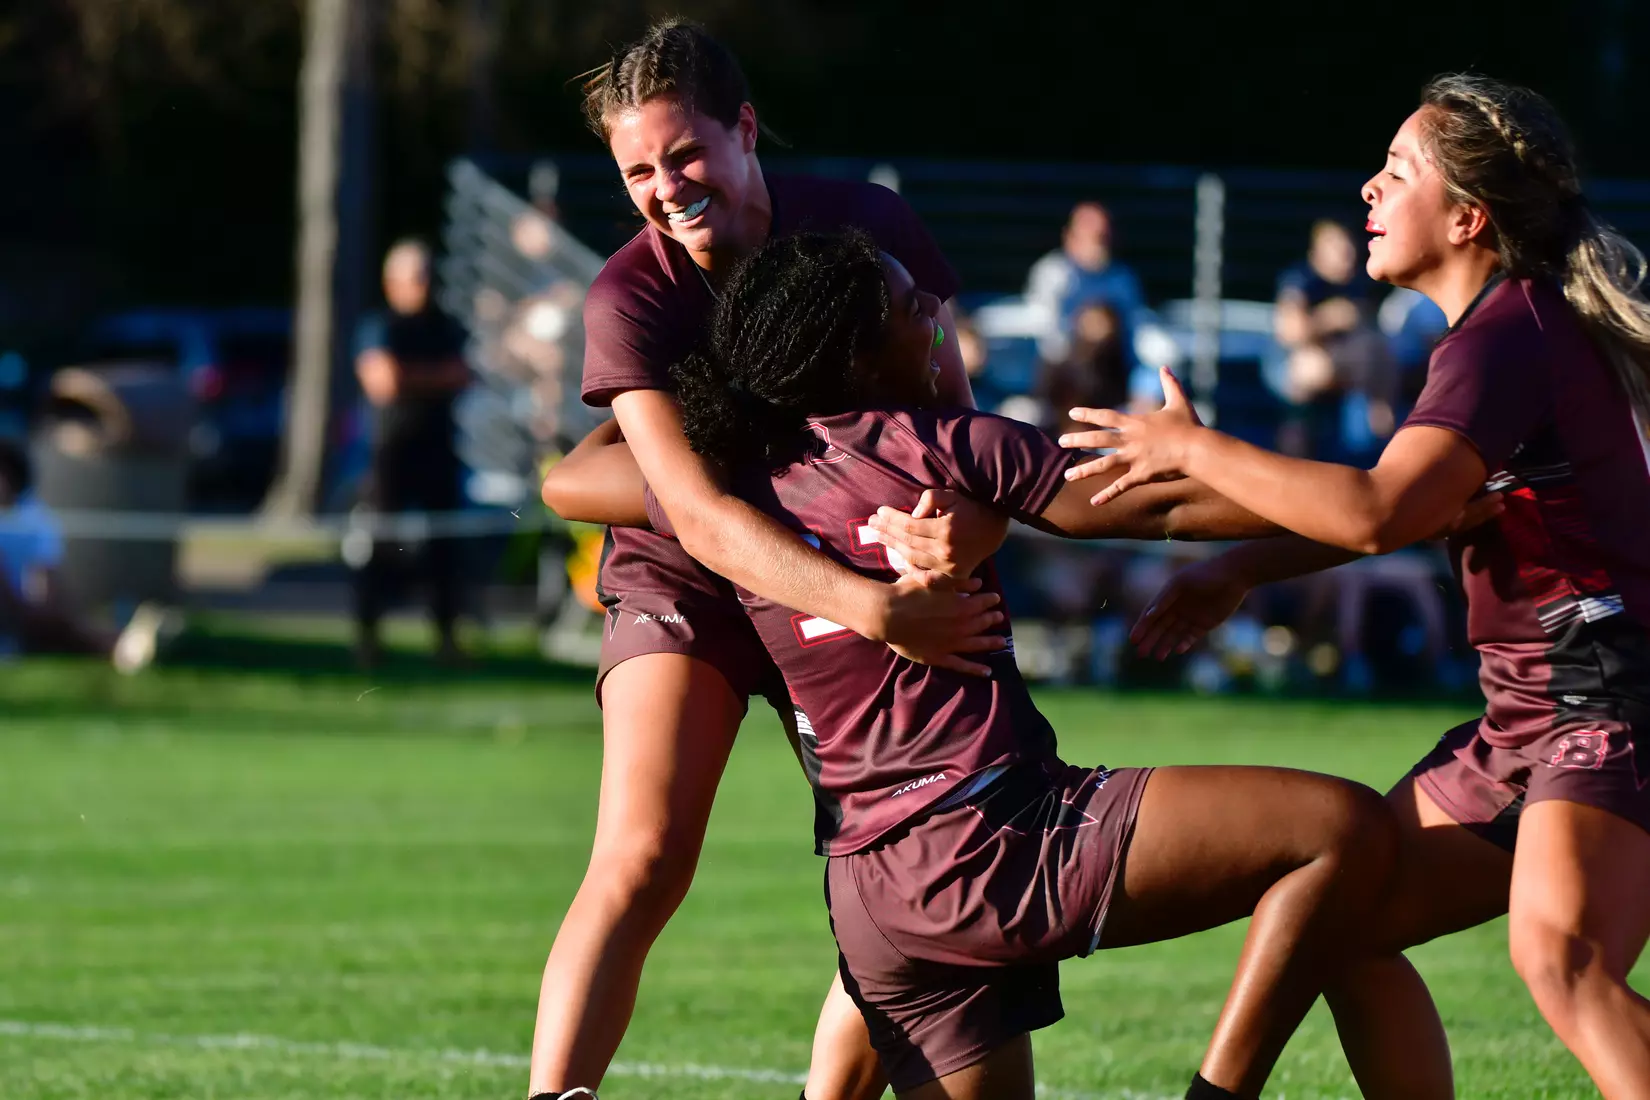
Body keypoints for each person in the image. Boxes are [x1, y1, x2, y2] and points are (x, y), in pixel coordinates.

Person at [542, 229, 1434, 1100]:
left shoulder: (728, 483)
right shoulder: (940, 443)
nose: (935, 311)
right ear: (859, 360)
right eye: (908, 304)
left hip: (875, 894)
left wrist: (661, 400)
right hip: (995, 834)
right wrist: (1378, 490)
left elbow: (573, 482)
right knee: (1341, 832)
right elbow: (1166, 508)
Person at [1061, 74, 1650, 1100]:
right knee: (1342, 919)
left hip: (1605, 698)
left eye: (1397, 171)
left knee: (1564, 956)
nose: (1368, 191)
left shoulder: (1508, 335)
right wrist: (1247, 562)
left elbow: (1378, 507)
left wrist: (1197, 450)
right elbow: (1416, 508)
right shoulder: (1501, 334)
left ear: (1467, 217)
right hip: (1535, 711)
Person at [528, 20, 1015, 1100]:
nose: (667, 188)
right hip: (692, 574)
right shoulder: (630, 294)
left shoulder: (866, 227)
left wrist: (956, 545)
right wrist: (872, 609)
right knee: (643, 851)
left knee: (898, 864)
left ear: (746, 129)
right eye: (638, 171)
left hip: (851, 557)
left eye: (686, 154)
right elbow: (690, 514)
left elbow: (961, 442)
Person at [351, 239, 472, 669]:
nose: (424, 285)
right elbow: (383, 382)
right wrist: (431, 377)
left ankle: (447, 641)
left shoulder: (445, 325)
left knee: (445, 549)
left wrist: (411, 375)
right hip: (390, 454)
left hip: (436, 450)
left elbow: (462, 375)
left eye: (427, 275)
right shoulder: (379, 326)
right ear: (392, 283)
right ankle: (368, 640)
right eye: (415, 276)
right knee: (380, 547)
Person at [0, 438, 160, 670]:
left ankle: (120, 643)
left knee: (58, 623)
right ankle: (120, 642)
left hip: (20, 608)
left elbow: (47, 579)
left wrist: (42, 611)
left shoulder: (35, 520)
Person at [1270, 219, 1399, 463]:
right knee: (1317, 365)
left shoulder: (1358, 283)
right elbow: (1290, 332)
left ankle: (1378, 431)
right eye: (1338, 248)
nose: (1346, 254)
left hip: (1349, 378)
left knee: (1375, 350)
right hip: (1295, 369)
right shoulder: (1301, 280)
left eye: (1348, 247)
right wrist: (1330, 318)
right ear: (1317, 252)